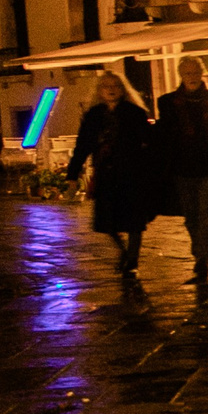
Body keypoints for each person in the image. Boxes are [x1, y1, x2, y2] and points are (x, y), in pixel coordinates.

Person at [64, 73, 159, 277]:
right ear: (100, 91)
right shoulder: (93, 116)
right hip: (106, 174)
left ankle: (132, 260)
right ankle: (124, 251)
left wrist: (148, 168)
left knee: (134, 221)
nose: (111, 89)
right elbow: (82, 146)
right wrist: (72, 174)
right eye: (106, 86)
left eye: (115, 85)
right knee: (106, 221)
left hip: (131, 174)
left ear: (123, 89)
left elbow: (149, 142)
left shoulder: (134, 113)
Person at [154, 57, 208, 285]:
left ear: (201, 74)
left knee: (205, 214)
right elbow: (164, 135)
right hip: (182, 169)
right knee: (191, 217)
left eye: (195, 73)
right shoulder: (169, 103)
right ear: (181, 75)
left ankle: (203, 259)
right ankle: (199, 252)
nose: (191, 77)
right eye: (187, 73)